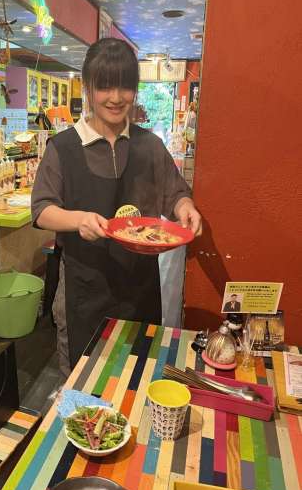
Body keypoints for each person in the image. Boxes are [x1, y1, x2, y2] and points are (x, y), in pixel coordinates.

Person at [32, 38, 202, 375]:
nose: (116, 97)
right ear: (88, 87)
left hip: (139, 286)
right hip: (85, 287)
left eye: (125, 86)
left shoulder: (149, 145)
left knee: (138, 374)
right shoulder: (63, 147)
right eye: (105, 86)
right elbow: (41, 209)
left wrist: (185, 207)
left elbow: (175, 193)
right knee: (85, 380)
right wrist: (78, 219)